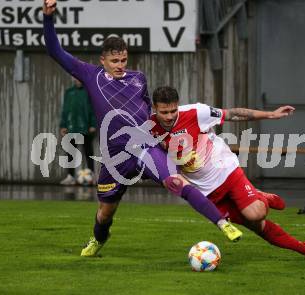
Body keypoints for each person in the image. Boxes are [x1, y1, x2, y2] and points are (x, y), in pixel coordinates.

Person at [42, 0, 242, 257]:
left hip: (144, 147)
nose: (120, 65)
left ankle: (222, 223)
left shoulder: (138, 79)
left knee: (175, 181)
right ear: (102, 60)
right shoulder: (90, 75)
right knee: (105, 213)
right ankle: (97, 239)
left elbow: (149, 112)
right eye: (114, 60)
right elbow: (55, 51)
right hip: (115, 158)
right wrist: (48, 18)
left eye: (123, 59)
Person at [150, 86, 305, 261]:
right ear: (155, 109)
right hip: (207, 193)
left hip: (227, 171)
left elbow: (233, 113)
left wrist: (270, 114)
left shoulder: (197, 112)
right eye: (164, 112)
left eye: (173, 111)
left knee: (255, 213)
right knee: (257, 227)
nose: (169, 116)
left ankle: (261, 197)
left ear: (178, 105)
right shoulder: (150, 128)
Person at [59, 78, 97, 185]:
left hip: (85, 127)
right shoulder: (69, 92)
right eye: (75, 77)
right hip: (72, 127)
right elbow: (65, 110)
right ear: (72, 78)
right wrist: (63, 125)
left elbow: (94, 108)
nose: (77, 79)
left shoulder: (89, 92)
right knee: (70, 153)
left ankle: (92, 176)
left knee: (88, 152)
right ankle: (70, 176)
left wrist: (93, 124)